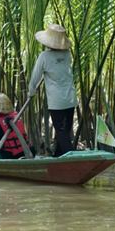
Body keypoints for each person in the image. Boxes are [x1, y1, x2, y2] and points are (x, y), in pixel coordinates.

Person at [27, 24, 78, 157]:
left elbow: (35, 76)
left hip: (57, 100)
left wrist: (31, 92)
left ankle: (70, 158)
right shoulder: (67, 54)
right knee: (65, 131)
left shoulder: (44, 56)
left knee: (61, 131)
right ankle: (58, 157)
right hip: (71, 98)